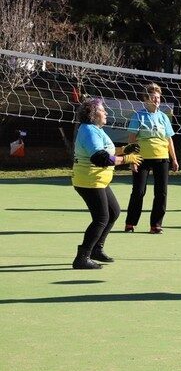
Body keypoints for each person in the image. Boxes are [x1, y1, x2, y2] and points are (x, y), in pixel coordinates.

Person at [72, 98, 142, 269]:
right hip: (89, 180)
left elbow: (106, 151)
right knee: (101, 218)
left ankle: (97, 249)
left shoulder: (96, 130)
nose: (106, 113)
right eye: (103, 110)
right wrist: (126, 159)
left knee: (113, 212)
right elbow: (100, 158)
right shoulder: (89, 130)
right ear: (93, 114)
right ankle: (82, 257)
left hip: (98, 180)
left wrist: (124, 149)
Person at [124, 83, 178, 234]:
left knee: (161, 192)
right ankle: (130, 223)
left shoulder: (163, 117)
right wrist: (131, 159)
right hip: (142, 159)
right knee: (139, 191)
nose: (156, 100)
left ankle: (156, 225)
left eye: (158, 97)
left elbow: (169, 139)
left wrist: (174, 159)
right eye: (153, 97)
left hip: (162, 158)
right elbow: (132, 139)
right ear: (146, 99)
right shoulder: (139, 116)